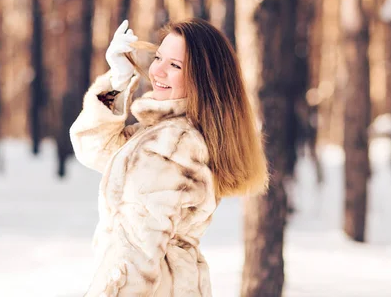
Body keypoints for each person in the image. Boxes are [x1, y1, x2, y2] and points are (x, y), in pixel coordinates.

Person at [70, 18, 269, 296]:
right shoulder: (167, 134)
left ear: (202, 79)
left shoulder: (170, 147)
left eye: (174, 65)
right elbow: (95, 148)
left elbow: (138, 251)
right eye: (158, 58)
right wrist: (117, 81)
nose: (157, 72)